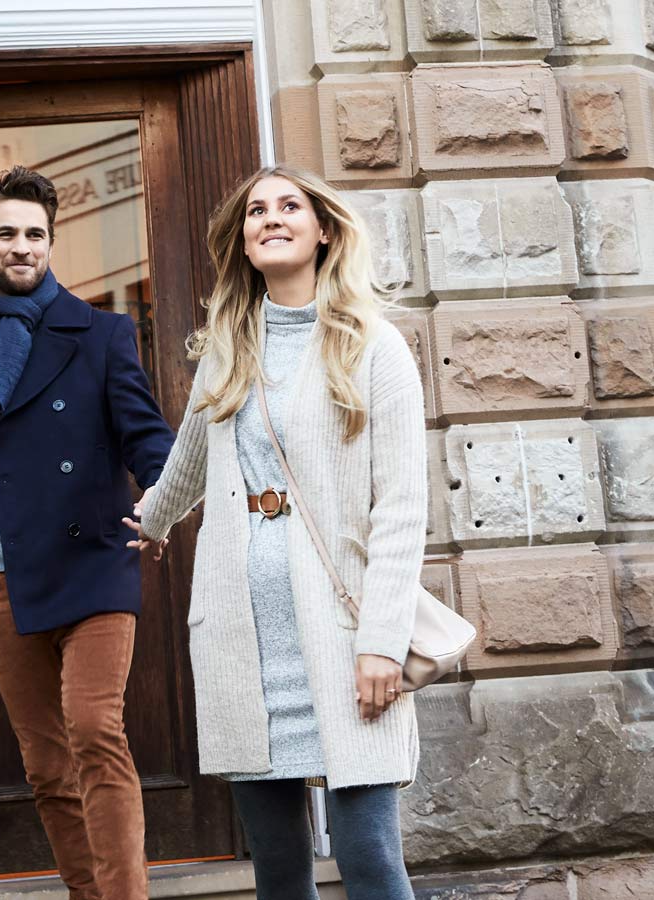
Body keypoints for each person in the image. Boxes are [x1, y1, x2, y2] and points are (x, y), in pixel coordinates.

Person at [125, 166, 425, 900]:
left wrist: (383, 640)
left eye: (290, 206)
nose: (272, 218)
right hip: (244, 635)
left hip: (343, 631)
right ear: (245, 241)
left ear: (323, 230)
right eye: (257, 211)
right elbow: (188, 462)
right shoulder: (230, 348)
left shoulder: (373, 347)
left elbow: (403, 508)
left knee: (368, 857)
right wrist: (150, 521)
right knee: (279, 872)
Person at [0, 165, 173, 900]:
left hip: (91, 562)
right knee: (46, 765)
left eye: (35, 234)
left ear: (51, 242)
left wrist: (161, 491)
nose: (22, 247)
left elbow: (144, 432)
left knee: (94, 733)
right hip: (3, 575)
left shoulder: (102, 334)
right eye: (7, 234)